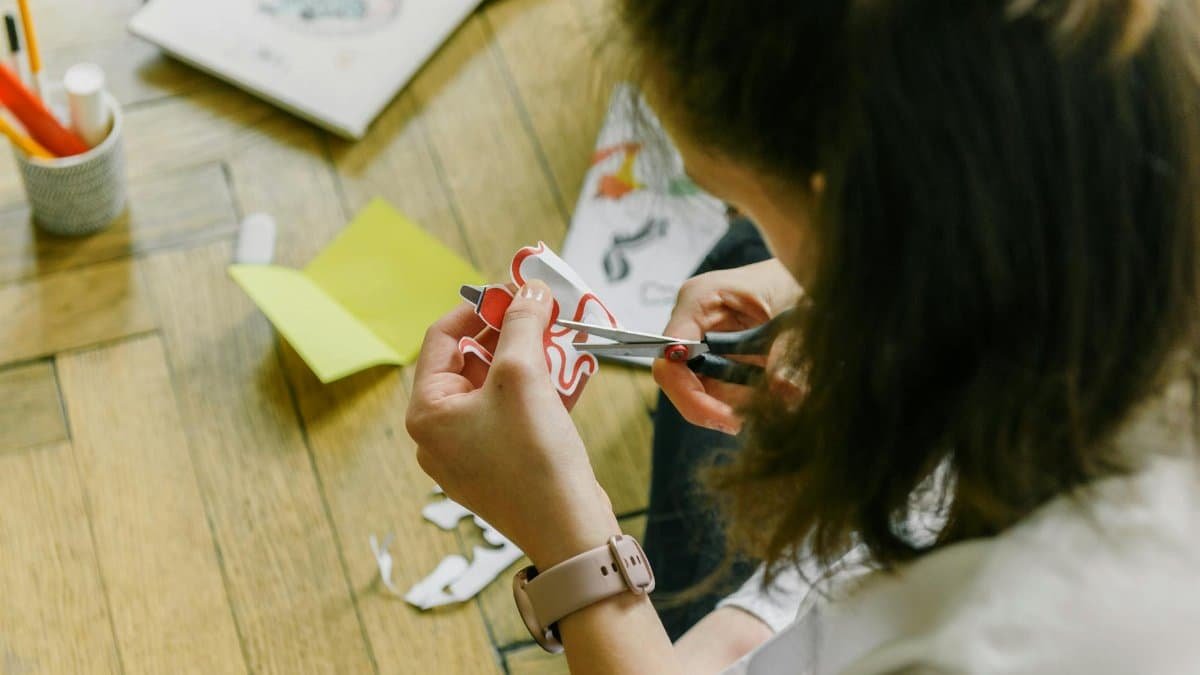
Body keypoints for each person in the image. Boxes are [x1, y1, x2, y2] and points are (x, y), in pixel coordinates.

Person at [405, 0, 1200, 673]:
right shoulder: (1135, 125)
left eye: (741, 194)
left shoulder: (988, 641)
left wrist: (568, 538)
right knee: (744, 272)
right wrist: (847, 304)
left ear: (861, 215)